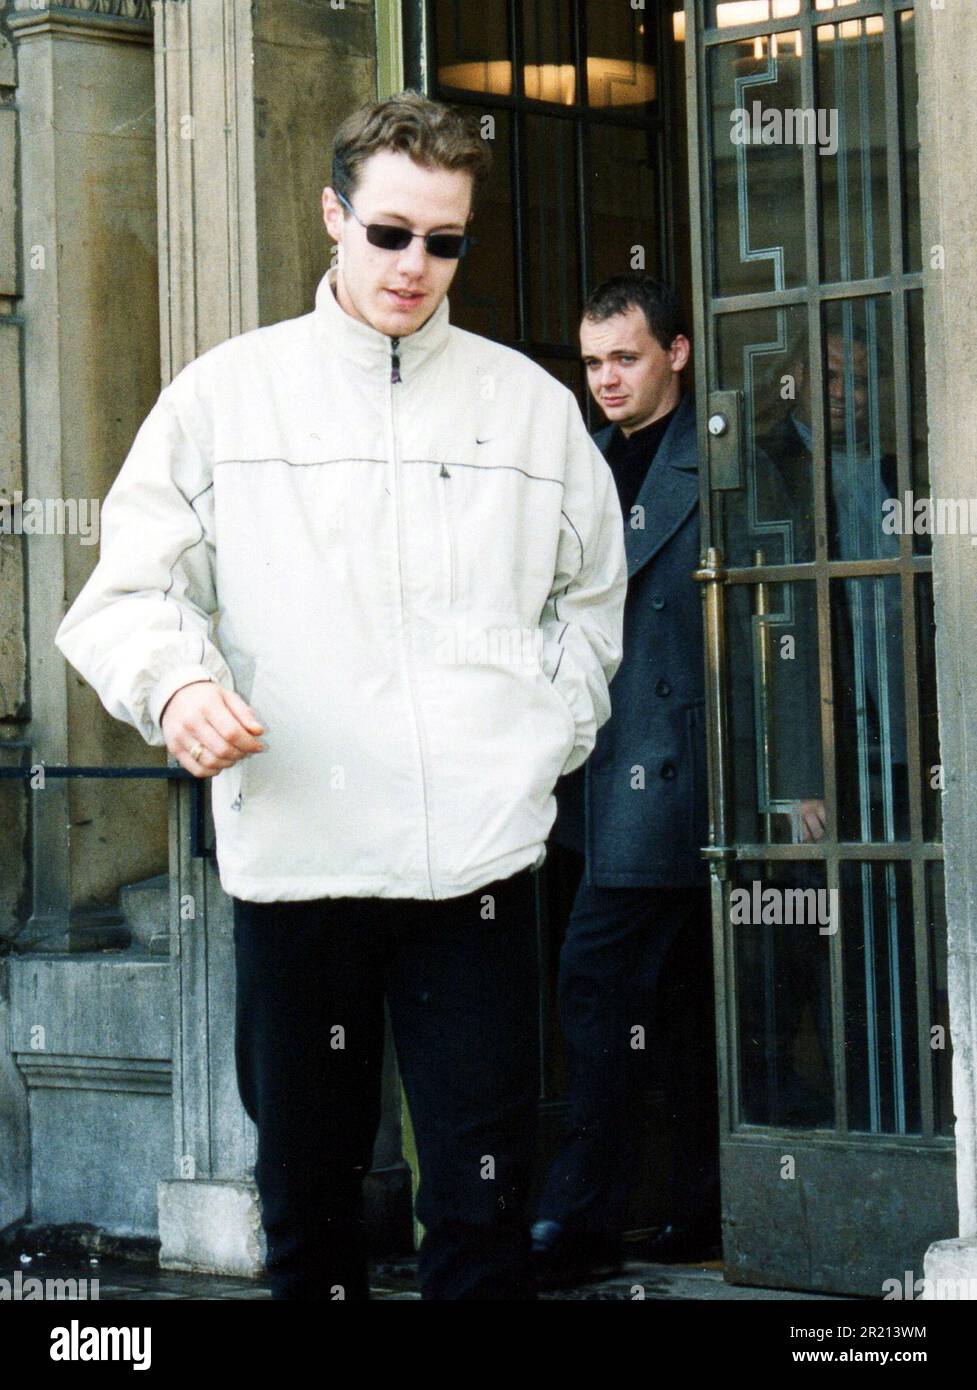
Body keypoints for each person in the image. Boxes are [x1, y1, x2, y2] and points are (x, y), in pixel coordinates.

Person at [54, 91, 627, 1302]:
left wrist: (539, 737)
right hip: (298, 864)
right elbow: (122, 596)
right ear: (333, 215)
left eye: (444, 240)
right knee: (308, 1203)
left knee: (481, 1203)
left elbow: (588, 605)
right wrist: (179, 689)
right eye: (388, 233)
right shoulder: (224, 397)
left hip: (474, 869)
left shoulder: (529, 407)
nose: (414, 265)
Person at [531, 276, 720, 1283]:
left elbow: (786, 617)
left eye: (625, 358)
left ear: (676, 353)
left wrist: (802, 774)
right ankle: (693, 1202)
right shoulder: (584, 463)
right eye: (592, 361)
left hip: (684, 773)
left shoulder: (718, 461)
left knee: (599, 987)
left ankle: (581, 1215)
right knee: (672, 1002)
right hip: (587, 779)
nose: (603, 379)